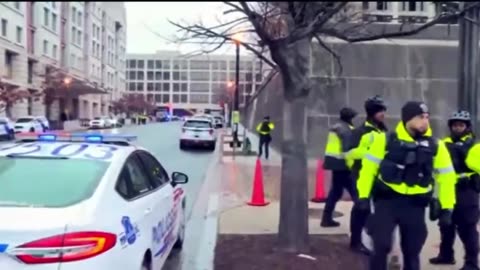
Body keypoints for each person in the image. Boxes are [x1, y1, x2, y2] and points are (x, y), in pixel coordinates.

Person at [357, 101, 457, 270]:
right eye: (420, 117)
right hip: (387, 201)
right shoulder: (385, 140)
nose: (425, 121)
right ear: (407, 119)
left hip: (415, 206)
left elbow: (447, 178)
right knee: (381, 245)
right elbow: (368, 170)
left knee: (412, 250)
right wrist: (363, 197)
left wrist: (447, 207)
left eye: (427, 117)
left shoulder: (436, 146)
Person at [429, 110, 480, 270]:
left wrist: (466, 153)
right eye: (455, 125)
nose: (457, 128)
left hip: (467, 191)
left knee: (467, 227)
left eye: (461, 125)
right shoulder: (443, 143)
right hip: (446, 189)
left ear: (467, 127)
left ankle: (471, 263)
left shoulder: (475, 145)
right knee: (446, 224)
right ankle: (446, 255)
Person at [345, 95, 388, 255]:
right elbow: (349, 154)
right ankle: (355, 242)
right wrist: (368, 154)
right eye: (379, 111)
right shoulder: (360, 132)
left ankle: (374, 238)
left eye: (383, 110)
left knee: (378, 209)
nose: (383, 114)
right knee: (360, 209)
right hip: (361, 175)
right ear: (371, 113)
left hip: (379, 176)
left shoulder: (383, 130)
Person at [321, 107, 358, 227]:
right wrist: (353, 165)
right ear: (349, 118)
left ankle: (326, 219)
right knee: (356, 193)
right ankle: (364, 221)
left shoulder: (336, 127)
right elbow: (347, 150)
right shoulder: (345, 130)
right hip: (343, 164)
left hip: (334, 163)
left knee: (336, 192)